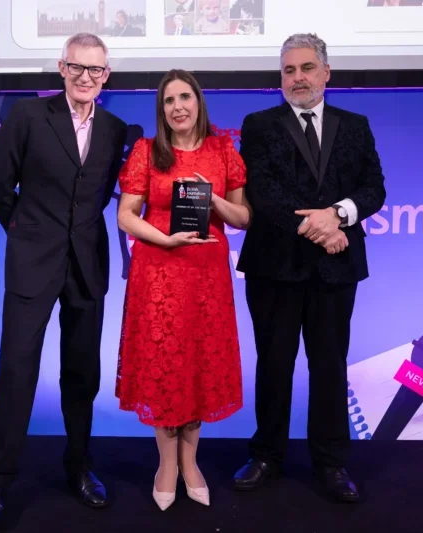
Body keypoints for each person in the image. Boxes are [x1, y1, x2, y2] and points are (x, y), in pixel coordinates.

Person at [0, 33, 127, 528]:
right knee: (16, 370)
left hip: (87, 264)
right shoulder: (27, 117)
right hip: (32, 262)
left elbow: (101, 193)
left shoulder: (114, 128)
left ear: (106, 76)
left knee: (82, 374)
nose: (86, 78)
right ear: (62, 68)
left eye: (96, 70)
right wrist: (25, 232)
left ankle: (79, 467)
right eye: (77, 68)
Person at [233, 32, 386, 502]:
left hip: (335, 270)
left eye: (305, 69)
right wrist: (320, 229)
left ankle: (331, 462)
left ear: (325, 73)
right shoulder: (258, 124)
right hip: (274, 266)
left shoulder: (355, 124)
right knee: (274, 365)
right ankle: (266, 456)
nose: (297, 78)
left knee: (329, 366)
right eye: (288, 70)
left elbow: (374, 188)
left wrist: (338, 216)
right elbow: (263, 190)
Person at [116, 69, 251, 511]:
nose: (177, 107)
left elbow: (243, 217)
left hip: (206, 280)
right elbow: (126, 215)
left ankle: (191, 462)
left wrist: (210, 198)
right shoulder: (145, 152)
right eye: (169, 100)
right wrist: (164, 239)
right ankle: (166, 465)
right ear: (162, 110)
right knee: (164, 368)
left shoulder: (222, 149)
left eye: (185, 98)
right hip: (158, 276)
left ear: (199, 102)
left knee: (198, 367)